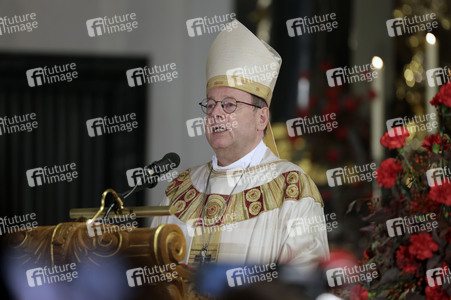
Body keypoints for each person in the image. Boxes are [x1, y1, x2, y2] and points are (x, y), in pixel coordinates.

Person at [151, 20, 329, 273]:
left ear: (261, 118)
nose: (217, 114)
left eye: (230, 105)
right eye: (210, 105)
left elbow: (304, 280)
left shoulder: (291, 188)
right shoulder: (180, 189)